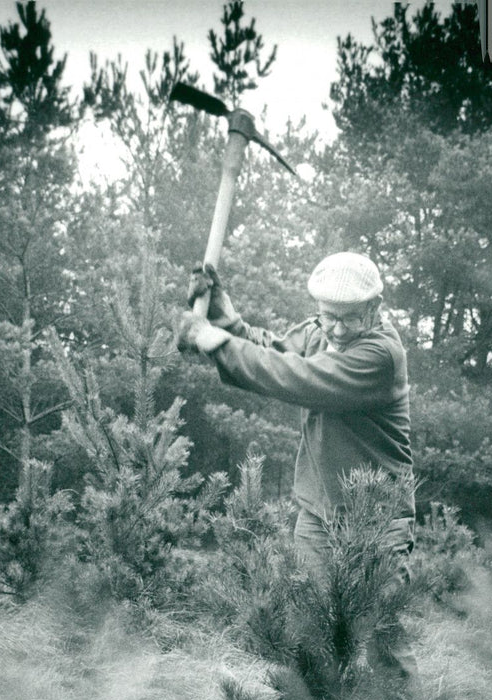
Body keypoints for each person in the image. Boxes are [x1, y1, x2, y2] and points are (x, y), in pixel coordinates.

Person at [177, 251, 417, 677]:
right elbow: (272, 347)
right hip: (318, 515)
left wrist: (214, 341)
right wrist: (223, 315)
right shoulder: (321, 332)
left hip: (378, 522)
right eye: (329, 317)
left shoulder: (381, 356)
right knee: (310, 631)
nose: (338, 330)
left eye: (351, 319)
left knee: (385, 643)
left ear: (375, 309)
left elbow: (295, 376)